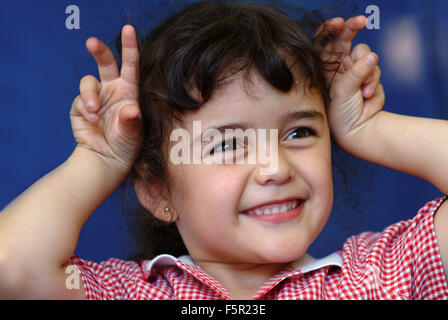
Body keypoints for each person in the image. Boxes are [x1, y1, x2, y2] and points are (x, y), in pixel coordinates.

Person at [0, 0, 447, 300]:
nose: (275, 167)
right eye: (229, 143)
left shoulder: (380, 276)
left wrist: (369, 128)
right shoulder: (133, 292)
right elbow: (12, 265)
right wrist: (99, 161)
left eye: (299, 134)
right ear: (159, 192)